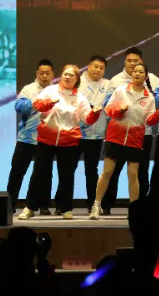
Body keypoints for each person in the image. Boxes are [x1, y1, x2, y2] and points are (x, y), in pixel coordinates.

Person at [18, 65, 102, 220]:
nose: (67, 77)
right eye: (65, 74)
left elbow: (87, 119)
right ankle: (30, 207)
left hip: (68, 141)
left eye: (71, 75)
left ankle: (66, 208)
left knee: (67, 176)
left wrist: (95, 114)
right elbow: (37, 106)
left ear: (76, 79)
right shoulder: (50, 90)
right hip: (46, 139)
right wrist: (49, 103)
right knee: (38, 174)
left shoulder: (80, 98)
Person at [90, 63, 159, 219]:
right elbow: (108, 110)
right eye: (135, 71)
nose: (136, 73)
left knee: (133, 175)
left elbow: (149, 121)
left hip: (135, 140)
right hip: (115, 137)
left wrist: (158, 115)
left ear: (146, 76)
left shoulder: (149, 97)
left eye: (140, 72)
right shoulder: (121, 90)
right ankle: (96, 205)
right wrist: (120, 110)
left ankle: (134, 209)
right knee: (107, 172)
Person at [104, 47, 159, 208]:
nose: (132, 64)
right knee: (113, 171)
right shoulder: (116, 81)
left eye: (135, 61)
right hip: (118, 135)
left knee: (140, 172)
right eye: (129, 61)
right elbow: (108, 106)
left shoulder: (153, 79)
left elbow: (158, 99)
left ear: (141, 62)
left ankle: (139, 206)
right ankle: (106, 204)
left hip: (142, 135)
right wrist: (119, 110)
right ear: (125, 62)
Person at [69, 55, 115, 215]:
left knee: (91, 171)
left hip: (96, 136)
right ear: (88, 66)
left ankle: (92, 204)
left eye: (102, 68)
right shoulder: (78, 82)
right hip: (76, 133)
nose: (98, 70)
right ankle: (64, 204)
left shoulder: (108, 84)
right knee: (69, 169)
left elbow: (110, 105)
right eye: (95, 66)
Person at [7, 59, 55, 214]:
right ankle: (9, 205)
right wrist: (35, 103)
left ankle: (43, 206)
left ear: (52, 74)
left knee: (44, 174)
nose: (44, 76)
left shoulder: (56, 90)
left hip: (47, 138)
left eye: (47, 73)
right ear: (37, 74)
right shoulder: (28, 89)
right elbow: (18, 106)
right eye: (42, 73)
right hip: (26, 137)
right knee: (17, 171)